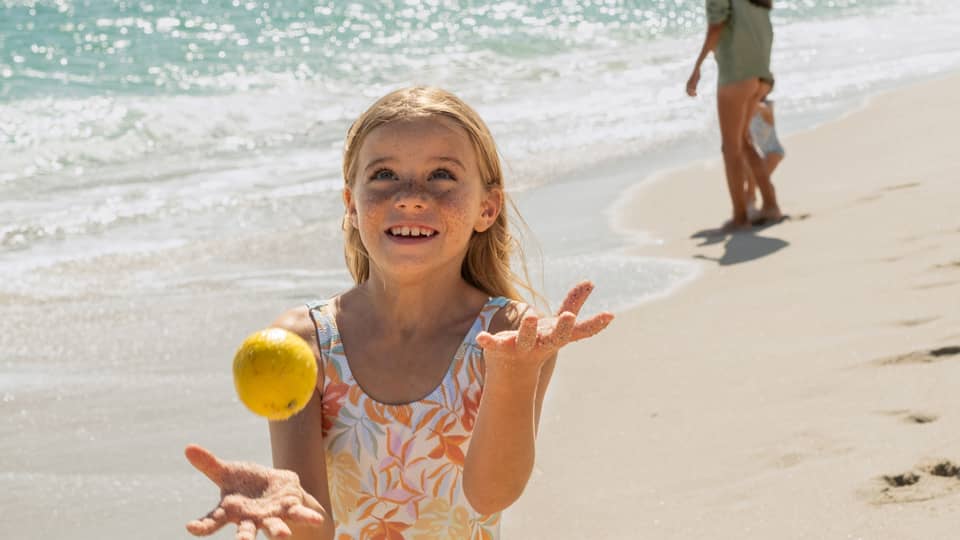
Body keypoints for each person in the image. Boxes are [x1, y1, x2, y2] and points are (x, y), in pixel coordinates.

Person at [184, 86, 615, 540]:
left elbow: (491, 496)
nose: (411, 197)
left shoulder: (510, 337)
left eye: (442, 176)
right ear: (352, 205)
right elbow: (316, 531)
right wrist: (282, 502)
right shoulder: (304, 343)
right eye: (385, 174)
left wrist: (514, 374)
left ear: (486, 207)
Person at [686, 0, 783, 229]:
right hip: (761, 76)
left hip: (736, 75)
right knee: (743, 142)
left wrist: (697, 66)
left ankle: (740, 218)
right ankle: (771, 206)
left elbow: (716, 27)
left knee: (731, 149)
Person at [744, 94, 786, 219]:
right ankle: (757, 208)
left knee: (758, 181)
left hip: (773, 152)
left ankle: (759, 208)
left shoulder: (766, 107)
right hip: (761, 154)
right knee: (758, 181)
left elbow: (761, 107)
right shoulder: (748, 113)